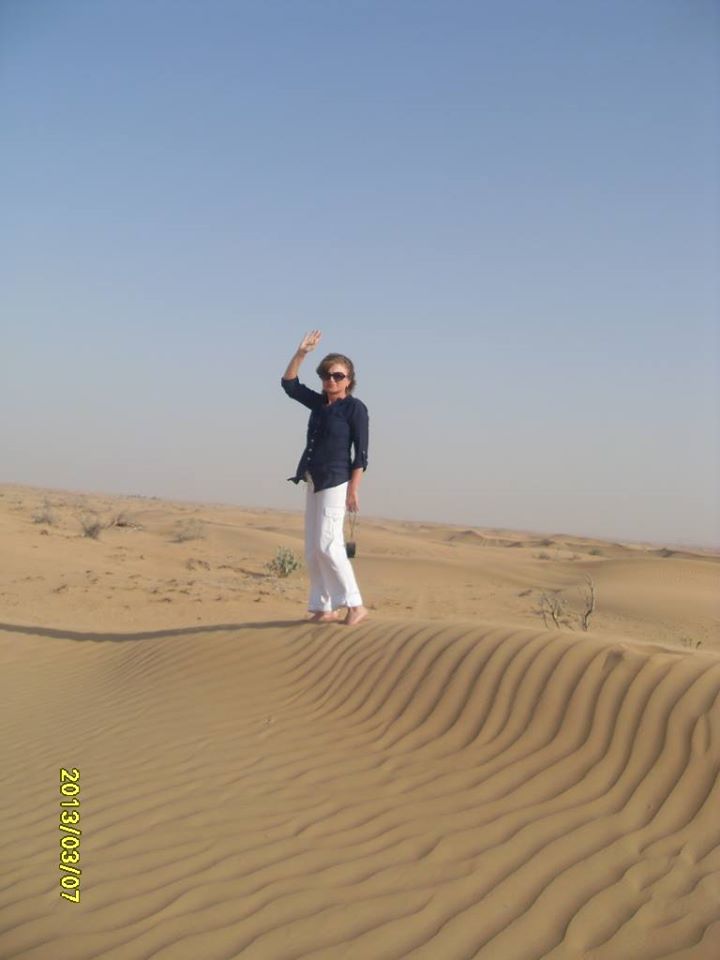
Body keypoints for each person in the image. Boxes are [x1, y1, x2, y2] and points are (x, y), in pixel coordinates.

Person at [281, 330, 370, 626]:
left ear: (349, 380)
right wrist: (301, 353)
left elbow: (361, 454)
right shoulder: (319, 404)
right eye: (326, 375)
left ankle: (355, 605)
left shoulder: (355, 409)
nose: (331, 380)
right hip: (313, 478)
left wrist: (354, 489)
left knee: (329, 544)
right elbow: (290, 385)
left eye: (337, 376)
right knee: (312, 548)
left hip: (337, 479)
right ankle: (324, 606)